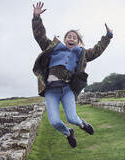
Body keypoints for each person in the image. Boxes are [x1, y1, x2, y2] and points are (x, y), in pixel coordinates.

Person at [32, 2, 113, 148]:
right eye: (69, 36)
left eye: (74, 37)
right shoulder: (53, 48)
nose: (71, 38)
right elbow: (40, 36)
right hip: (51, 90)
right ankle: (68, 133)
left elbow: (97, 50)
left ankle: (82, 124)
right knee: (55, 122)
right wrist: (36, 17)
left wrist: (108, 36)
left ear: (78, 42)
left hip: (67, 89)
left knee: (73, 118)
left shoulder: (82, 54)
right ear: (65, 40)